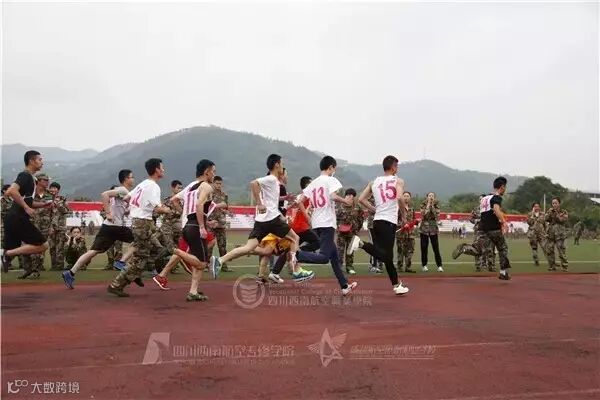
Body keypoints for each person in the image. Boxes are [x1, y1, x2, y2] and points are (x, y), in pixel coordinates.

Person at [209, 154, 313, 282]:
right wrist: (259, 203)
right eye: (282, 164)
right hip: (272, 219)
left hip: (262, 220)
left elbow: (270, 198)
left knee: (249, 247)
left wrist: (282, 204)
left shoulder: (274, 182)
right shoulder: (271, 178)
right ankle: (296, 271)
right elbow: (253, 183)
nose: (283, 167)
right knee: (295, 238)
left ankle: (219, 260)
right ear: (277, 165)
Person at [107, 159, 177, 297]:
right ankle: (117, 284)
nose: (163, 170)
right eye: (162, 168)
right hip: (143, 223)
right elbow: (158, 208)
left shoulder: (142, 184)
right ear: (156, 170)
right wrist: (169, 210)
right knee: (141, 257)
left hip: (140, 222)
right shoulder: (154, 187)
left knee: (157, 249)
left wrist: (137, 208)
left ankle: (136, 273)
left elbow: (127, 197)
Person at [63, 170, 137, 289]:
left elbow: (119, 208)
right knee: (139, 240)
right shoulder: (122, 190)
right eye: (132, 177)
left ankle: (70, 273)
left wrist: (127, 210)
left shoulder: (124, 193)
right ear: (125, 179)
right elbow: (104, 194)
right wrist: (108, 213)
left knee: (94, 251)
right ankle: (121, 262)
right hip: (115, 227)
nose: (133, 179)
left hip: (108, 227)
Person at [293, 156, 357, 295]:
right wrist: (345, 201)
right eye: (334, 168)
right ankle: (297, 255)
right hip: (327, 222)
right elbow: (333, 196)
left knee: (334, 257)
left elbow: (299, 200)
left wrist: (308, 215)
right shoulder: (331, 180)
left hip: (316, 223)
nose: (334, 171)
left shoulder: (313, 183)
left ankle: (344, 285)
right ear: (331, 167)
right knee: (324, 257)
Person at [347, 155, 409, 295]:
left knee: (386, 256)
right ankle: (361, 244)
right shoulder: (398, 181)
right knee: (385, 256)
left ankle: (396, 285)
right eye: (397, 166)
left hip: (377, 221)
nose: (398, 168)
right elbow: (399, 197)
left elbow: (361, 199)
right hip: (389, 222)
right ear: (393, 167)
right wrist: (404, 216)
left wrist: (374, 209)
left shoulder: (374, 182)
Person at [452, 177, 512, 281]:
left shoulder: (485, 198)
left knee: (478, 250)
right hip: (493, 228)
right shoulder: (496, 197)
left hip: (482, 228)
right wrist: (504, 221)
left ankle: (464, 248)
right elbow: (496, 209)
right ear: (502, 187)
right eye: (505, 187)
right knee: (503, 248)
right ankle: (503, 272)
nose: (505, 190)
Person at [269, 176, 320, 283]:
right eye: (311, 183)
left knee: (288, 250)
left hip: (298, 227)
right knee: (317, 243)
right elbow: (299, 204)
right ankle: (297, 253)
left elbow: (297, 205)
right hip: (301, 227)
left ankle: (274, 272)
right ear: (307, 185)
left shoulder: (305, 195)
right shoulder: (305, 195)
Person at [20, 172, 53, 279]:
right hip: (29, 224)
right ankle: (27, 270)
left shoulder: (50, 195)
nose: (47, 182)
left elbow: (53, 212)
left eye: (48, 180)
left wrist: (52, 226)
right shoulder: (30, 194)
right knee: (25, 247)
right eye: (45, 180)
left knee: (38, 249)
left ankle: (35, 271)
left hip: (44, 226)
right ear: (38, 181)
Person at [336, 188, 363, 275]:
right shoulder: (339, 206)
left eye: (352, 196)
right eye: (347, 195)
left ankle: (349, 267)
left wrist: (357, 229)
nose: (349, 197)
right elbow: (335, 218)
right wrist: (338, 226)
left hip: (352, 232)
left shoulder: (357, 207)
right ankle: (339, 267)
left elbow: (361, 219)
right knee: (340, 250)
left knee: (350, 250)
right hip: (341, 233)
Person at [207, 176, 231, 271]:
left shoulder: (224, 194)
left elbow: (225, 205)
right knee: (210, 245)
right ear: (213, 183)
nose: (218, 185)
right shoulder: (209, 194)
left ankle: (223, 265)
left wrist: (215, 205)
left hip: (221, 223)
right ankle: (207, 264)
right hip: (211, 223)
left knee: (222, 245)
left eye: (220, 184)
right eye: (217, 183)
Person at [48, 182, 71, 270]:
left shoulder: (62, 199)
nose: (53, 190)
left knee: (60, 247)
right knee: (52, 247)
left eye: (55, 188)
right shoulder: (46, 199)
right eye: (51, 188)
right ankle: (53, 265)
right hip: (50, 227)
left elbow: (67, 211)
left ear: (58, 190)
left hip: (60, 227)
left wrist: (59, 205)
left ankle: (59, 265)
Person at [419, 192, 444, 272]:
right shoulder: (423, 205)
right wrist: (428, 205)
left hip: (433, 228)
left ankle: (439, 266)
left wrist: (432, 206)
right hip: (424, 228)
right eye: (429, 196)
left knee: (436, 247)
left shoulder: (437, 205)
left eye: (432, 196)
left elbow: (437, 215)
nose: (431, 197)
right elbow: (423, 215)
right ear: (427, 197)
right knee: (424, 247)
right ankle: (424, 265)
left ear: (434, 197)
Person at [545, 197, 569, 272]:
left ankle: (564, 266)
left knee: (561, 251)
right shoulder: (550, 211)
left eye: (556, 203)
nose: (554, 205)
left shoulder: (563, 211)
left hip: (560, 234)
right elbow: (546, 219)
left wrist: (556, 214)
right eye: (553, 203)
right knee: (549, 250)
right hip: (551, 233)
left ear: (559, 203)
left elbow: (561, 220)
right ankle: (552, 266)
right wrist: (549, 213)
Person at [396, 191, 417, 273]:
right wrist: (402, 224)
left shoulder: (412, 208)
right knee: (400, 250)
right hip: (401, 232)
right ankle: (399, 266)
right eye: (404, 196)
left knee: (410, 250)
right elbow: (395, 219)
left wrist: (413, 224)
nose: (406, 197)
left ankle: (408, 267)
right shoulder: (398, 208)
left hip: (410, 233)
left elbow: (414, 219)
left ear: (410, 198)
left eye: (408, 196)